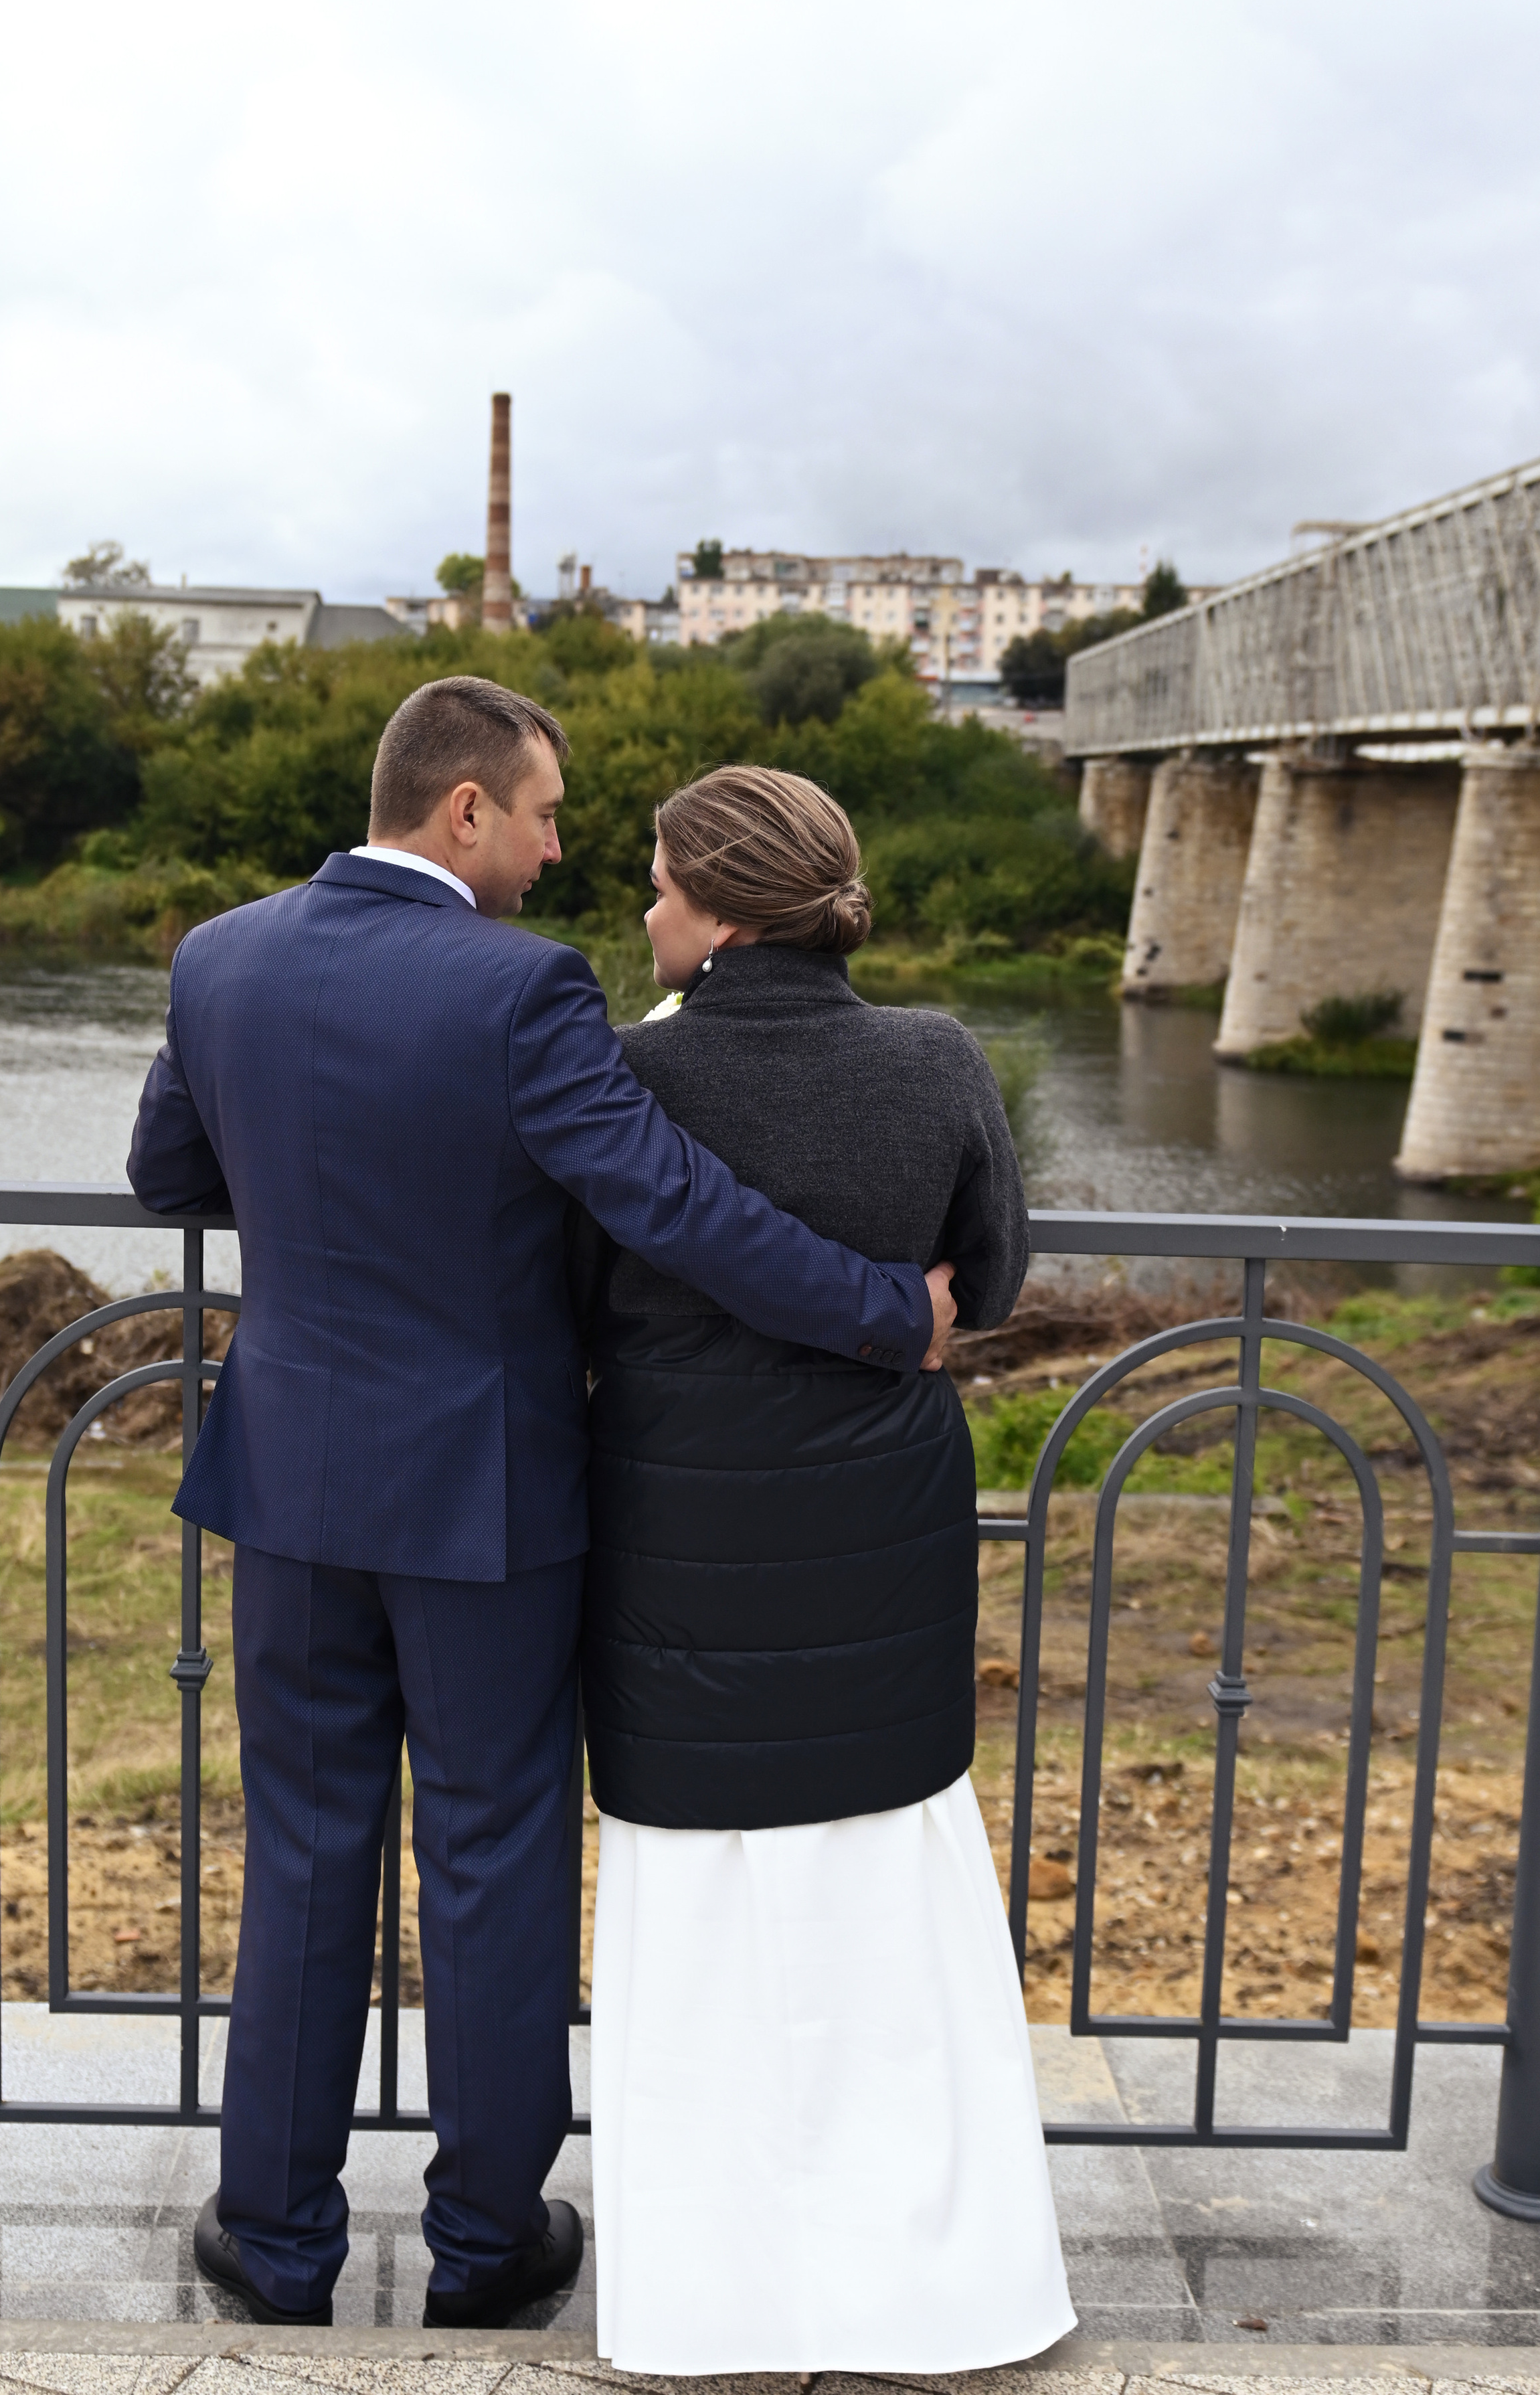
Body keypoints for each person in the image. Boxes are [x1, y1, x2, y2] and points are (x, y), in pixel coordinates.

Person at [126, 679, 958, 2331]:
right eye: (545, 813)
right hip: (486, 1501)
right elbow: (672, 1209)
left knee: (302, 1851)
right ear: (462, 812)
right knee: (494, 1853)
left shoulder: (220, 957)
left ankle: (276, 2242)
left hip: (290, 1479)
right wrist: (887, 1312)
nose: (559, 845)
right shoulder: (524, 992)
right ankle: (485, 2243)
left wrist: (319, 1188)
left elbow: (170, 1174)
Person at [576, 764, 1074, 2375]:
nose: (643, 909)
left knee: (700, 1904)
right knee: (885, 1895)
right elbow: (986, 1273)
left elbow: (571, 1288)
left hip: (680, 1523)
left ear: (715, 905)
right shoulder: (931, 1058)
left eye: (656, 881)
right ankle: (938, 2283)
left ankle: (702, 2297)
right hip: (877, 1520)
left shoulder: (624, 1074)